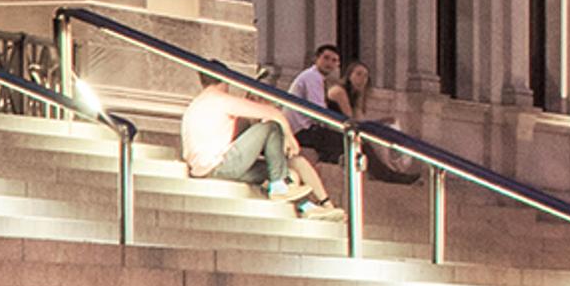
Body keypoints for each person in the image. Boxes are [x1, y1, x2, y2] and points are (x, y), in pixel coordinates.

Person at [181, 76, 334, 214]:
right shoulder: (220, 100)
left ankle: (309, 207)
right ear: (225, 81)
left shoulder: (197, 104)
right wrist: (289, 137)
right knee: (271, 127)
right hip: (219, 166)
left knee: (290, 173)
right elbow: (274, 115)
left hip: (211, 169)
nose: (258, 102)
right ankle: (279, 185)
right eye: (255, 98)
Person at [336, 58, 429, 183]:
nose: (362, 79)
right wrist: (378, 124)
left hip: (349, 132)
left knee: (383, 133)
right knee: (371, 142)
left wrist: (381, 122)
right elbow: (352, 120)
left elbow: (360, 121)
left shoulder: (357, 97)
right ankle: (389, 173)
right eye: (358, 74)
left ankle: (394, 169)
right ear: (349, 75)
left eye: (365, 76)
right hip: (335, 133)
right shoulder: (339, 91)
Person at [287, 41, 350, 170]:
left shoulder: (316, 78)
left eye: (334, 60)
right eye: (326, 58)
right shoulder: (312, 77)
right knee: (348, 140)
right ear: (316, 59)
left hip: (304, 129)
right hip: (302, 130)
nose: (329, 63)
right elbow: (319, 112)